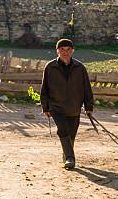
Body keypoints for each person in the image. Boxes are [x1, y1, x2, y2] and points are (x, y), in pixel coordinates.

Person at [40, 39, 94, 170]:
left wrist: (88, 107)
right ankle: (71, 158)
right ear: (57, 51)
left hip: (74, 107)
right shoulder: (50, 67)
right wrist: (45, 107)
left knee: (71, 134)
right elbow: (44, 88)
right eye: (62, 50)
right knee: (63, 129)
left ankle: (67, 155)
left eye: (68, 50)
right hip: (56, 107)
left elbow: (87, 88)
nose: (65, 52)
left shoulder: (80, 68)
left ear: (73, 51)